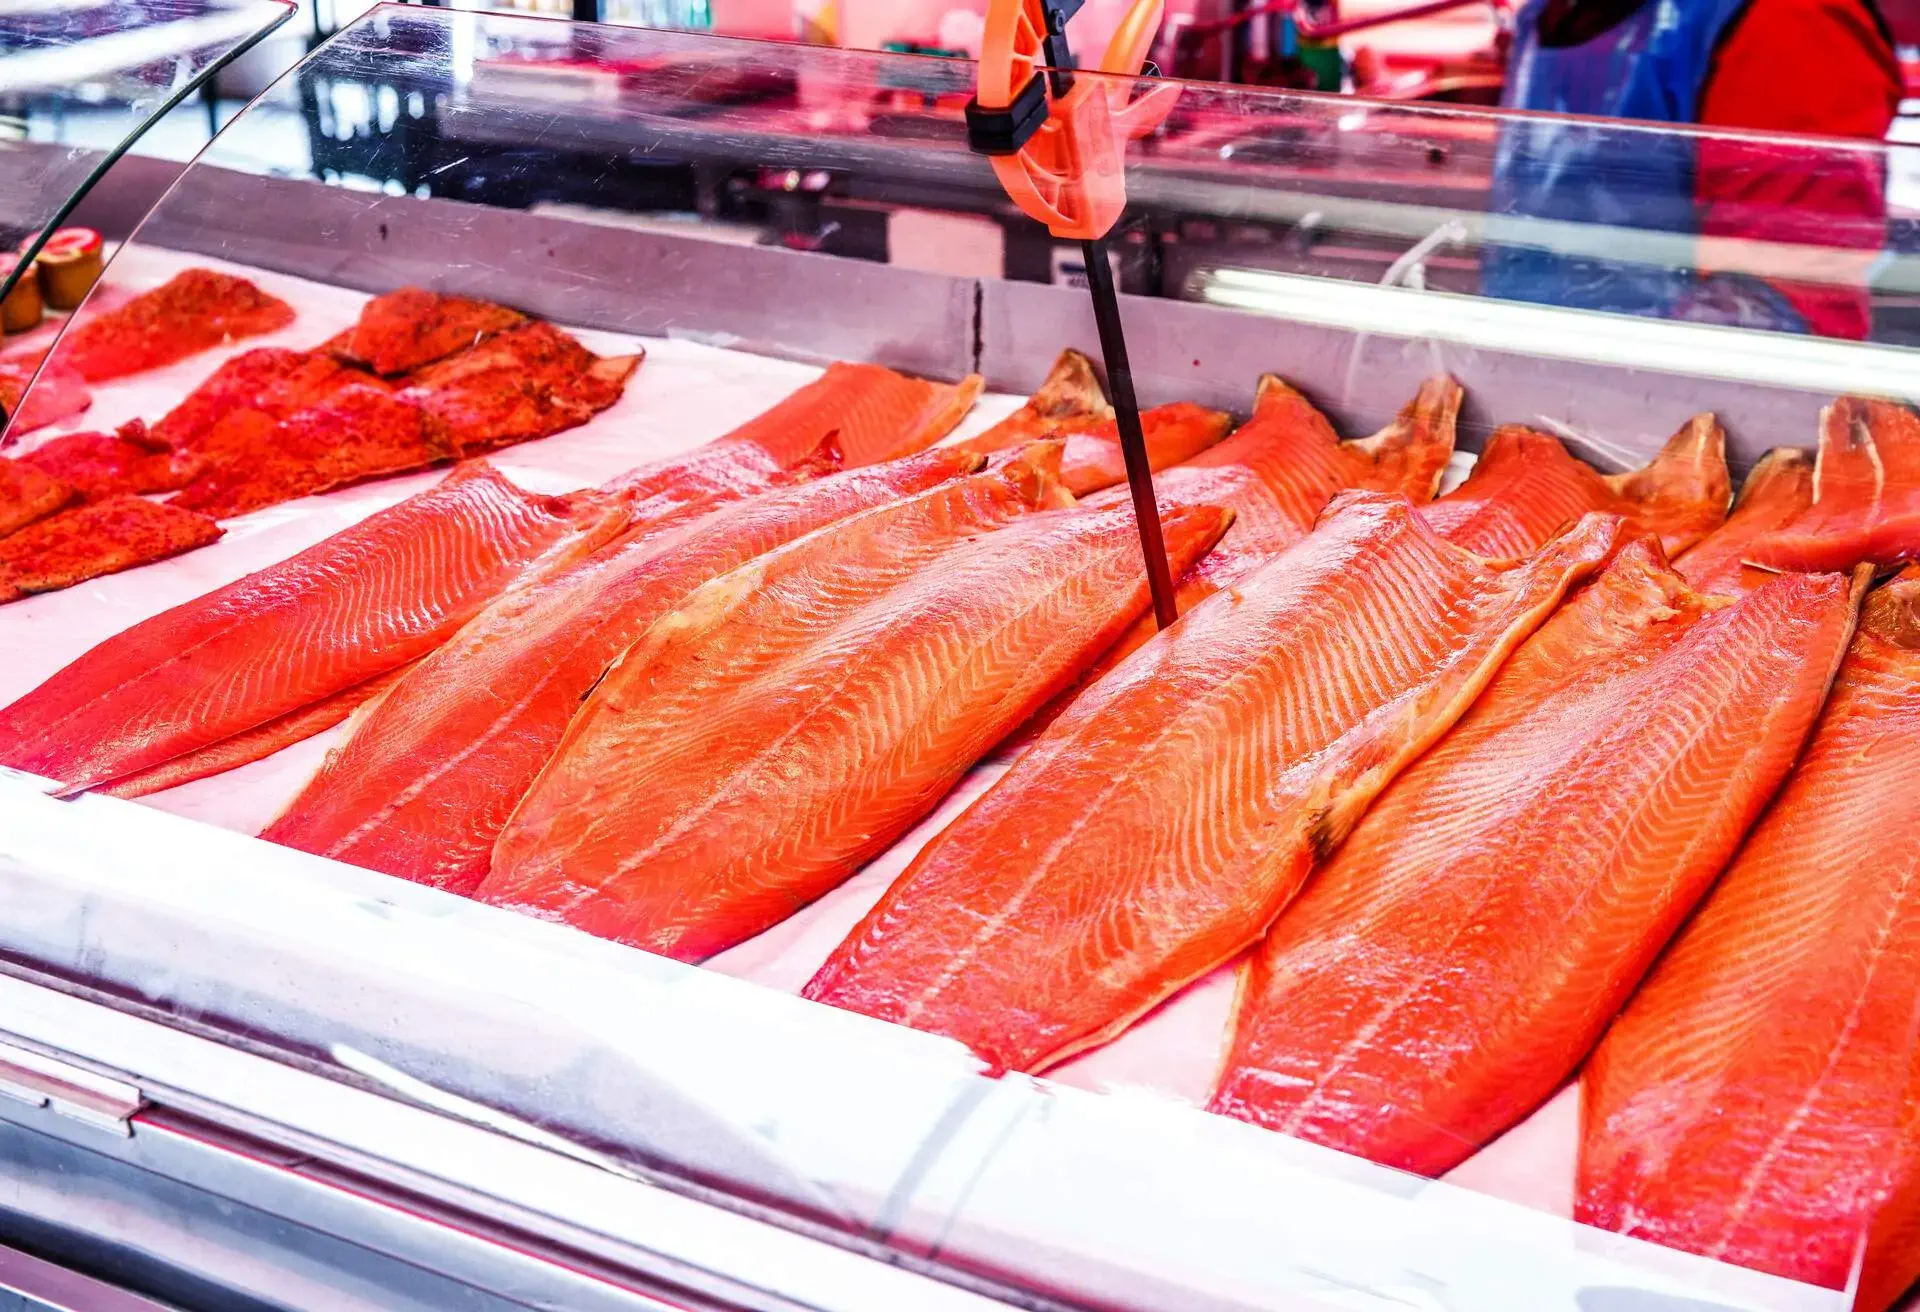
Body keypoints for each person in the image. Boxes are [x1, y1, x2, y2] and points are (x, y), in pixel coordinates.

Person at [1482, 0, 1903, 338]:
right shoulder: (1547, 14)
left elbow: (1780, 312)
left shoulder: (1790, 21)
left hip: (1671, 413)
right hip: (1534, 377)